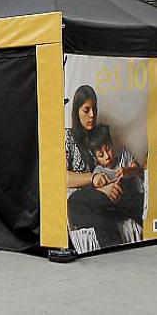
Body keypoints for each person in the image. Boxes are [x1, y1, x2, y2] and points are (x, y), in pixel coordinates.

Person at [66, 85, 133, 248]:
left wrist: (110, 185)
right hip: (77, 200)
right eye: (86, 110)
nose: (92, 115)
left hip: (100, 194)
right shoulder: (68, 137)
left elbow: (108, 168)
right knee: (98, 207)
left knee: (129, 187)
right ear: (76, 112)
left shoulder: (96, 138)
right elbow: (61, 177)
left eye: (94, 109)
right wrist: (93, 178)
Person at [88, 124, 144, 223]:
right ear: (95, 158)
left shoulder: (124, 156)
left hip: (136, 197)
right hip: (119, 207)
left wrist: (128, 171)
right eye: (101, 155)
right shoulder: (99, 172)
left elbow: (138, 170)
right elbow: (99, 194)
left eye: (108, 149)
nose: (107, 156)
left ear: (111, 144)